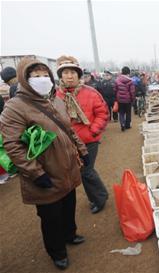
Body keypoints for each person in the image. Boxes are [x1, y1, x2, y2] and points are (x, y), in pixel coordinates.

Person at [0, 57, 89, 270]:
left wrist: (82, 150)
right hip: (44, 171)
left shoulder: (55, 100)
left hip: (66, 167)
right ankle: (57, 251)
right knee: (50, 215)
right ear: (24, 79)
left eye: (44, 75)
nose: (41, 79)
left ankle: (70, 234)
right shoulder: (15, 107)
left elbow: (68, 129)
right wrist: (35, 173)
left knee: (68, 204)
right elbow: (13, 146)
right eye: (35, 76)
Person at [55, 55, 109, 214]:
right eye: (65, 73)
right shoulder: (56, 95)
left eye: (73, 72)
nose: (69, 76)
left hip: (89, 140)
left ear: (79, 75)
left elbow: (102, 113)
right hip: (68, 142)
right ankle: (95, 197)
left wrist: (93, 131)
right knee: (80, 172)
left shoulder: (90, 92)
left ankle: (100, 197)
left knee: (86, 170)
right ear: (61, 76)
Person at [114, 66, 135, 131]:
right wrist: (132, 99)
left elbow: (115, 90)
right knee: (128, 113)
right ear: (128, 73)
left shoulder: (117, 80)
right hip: (128, 100)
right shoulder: (130, 81)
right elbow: (132, 91)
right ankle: (127, 125)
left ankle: (122, 124)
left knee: (121, 113)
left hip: (120, 100)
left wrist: (116, 98)